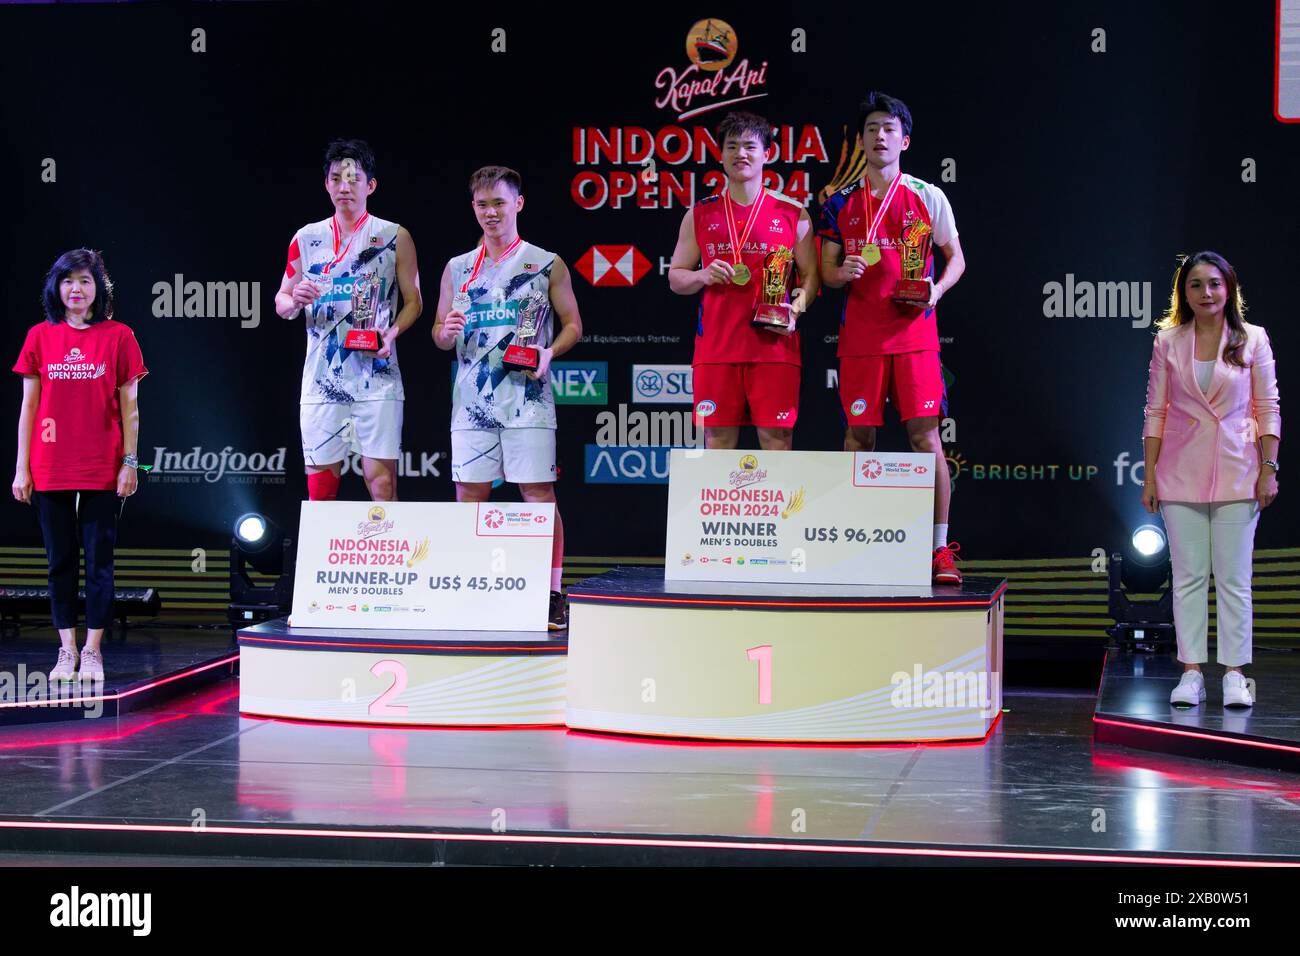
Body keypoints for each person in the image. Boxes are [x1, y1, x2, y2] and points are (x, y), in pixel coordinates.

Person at [818, 92, 967, 584]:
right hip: (860, 339)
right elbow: (826, 271)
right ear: (860, 141)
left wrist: (935, 290)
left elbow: (956, 259)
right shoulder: (838, 201)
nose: (879, 136)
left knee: (926, 439)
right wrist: (844, 270)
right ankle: (857, 539)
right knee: (858, 438)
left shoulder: (927, 195)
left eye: (889, 129)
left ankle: (939, 549)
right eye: (871, 129)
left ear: (904, 139)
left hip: (915, 338)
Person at [432, 166, 583, 630]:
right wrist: (446, 331)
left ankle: (552, 592)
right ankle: (474, 585)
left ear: (518, 204)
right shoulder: (458, 267)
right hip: (472, 403)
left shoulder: (546, 262)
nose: (491, 212)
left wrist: (548, 351)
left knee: (538, 495)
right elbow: (439, 334)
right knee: (470, 496)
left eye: (499, 203)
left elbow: (574, 325)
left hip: (528, 399)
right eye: (482, 204)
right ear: (473, 209)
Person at [1143, 252, 1280, 708]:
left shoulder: (1253, 339)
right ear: (1184, 292)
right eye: (1196, 284)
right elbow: (1156, 411)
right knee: (1188, 577)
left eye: (1215, 284)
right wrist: (1150, 476)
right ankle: (1191, 673)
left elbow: (1267, 408)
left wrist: (1268, 468)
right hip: (1179, 474)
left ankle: (1236, 674)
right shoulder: (1168, 342)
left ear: (1230, 289)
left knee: (1235, 578)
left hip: (1240, 473)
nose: (1207, 293)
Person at [11, 249, 147, 682]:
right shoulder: (39, 337)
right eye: (68, 280)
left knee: (100, 562)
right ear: (57, 287)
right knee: (59, 561)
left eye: (85, 281)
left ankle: (92, 651)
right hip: (50, 464)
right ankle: (65, 649)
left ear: (98, 289)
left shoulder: (119, 336)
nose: (76, 289)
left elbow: (131, 409)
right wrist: (21, 468)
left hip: (102, 466)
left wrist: (129, 462)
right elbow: (28, 407)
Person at [274, 139, 422, 502]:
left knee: (382, 483)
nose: (344, 186)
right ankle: (323, 559)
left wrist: (392, 334)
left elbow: (414, 302)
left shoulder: (394, 237)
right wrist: (294, 299)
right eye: (336, 178)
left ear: (370, 185)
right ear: (326, 184)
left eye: (354, 178)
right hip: (322, 381)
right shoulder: (306, 239)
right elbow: (281, 300)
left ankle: (388, 558)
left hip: (378, 379)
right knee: (321, 486)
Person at [668, 110, 819, 451]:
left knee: (777, 441)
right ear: (721, 155)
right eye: (732, 146)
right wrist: (702, 275)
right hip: (717, 351)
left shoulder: (793, 213)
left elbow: (810, 277)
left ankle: (779, 508)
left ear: (767, 154)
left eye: (750, 146)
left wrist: (794, 311)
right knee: (717, 442)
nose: (741, 154)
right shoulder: (700, 213)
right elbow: (676, 278)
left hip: (774, 349)